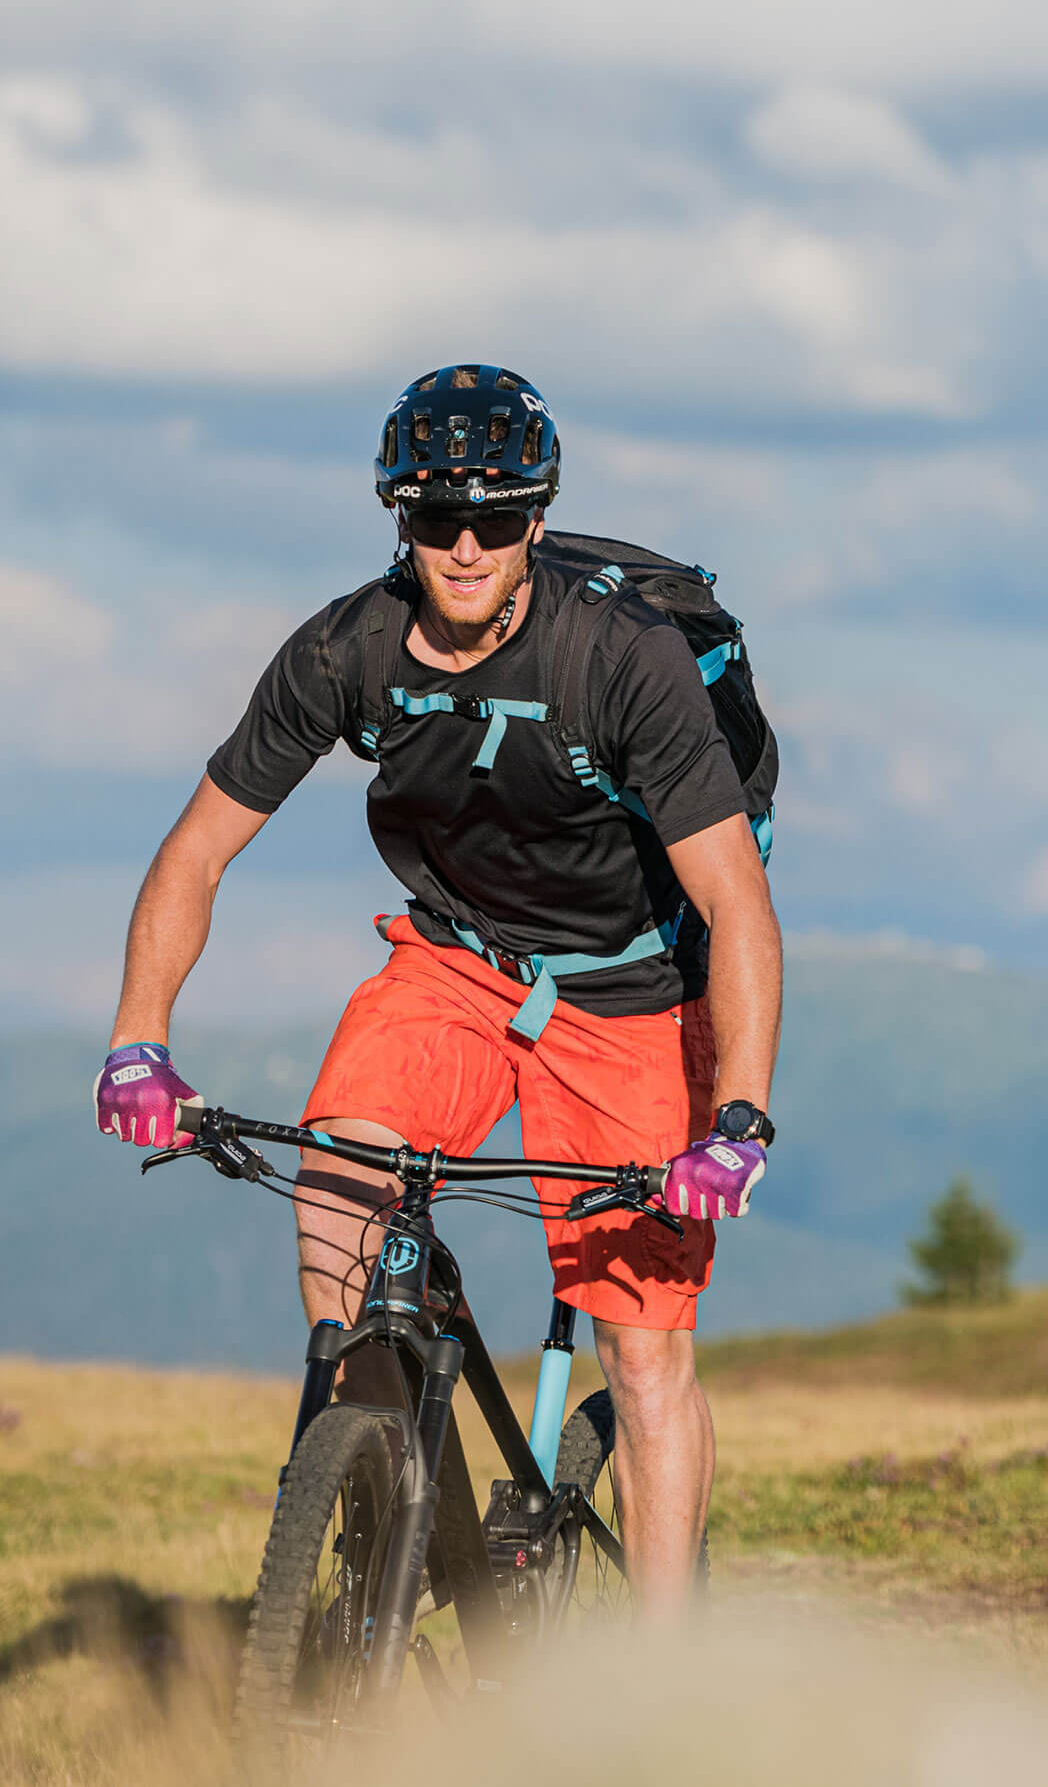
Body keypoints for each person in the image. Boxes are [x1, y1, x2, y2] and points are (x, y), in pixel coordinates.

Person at [92, 363, 781, 1617]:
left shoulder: (618, 659)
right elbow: (196, 847)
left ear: (536, 516)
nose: (465, 545)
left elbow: (737, 904)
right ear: (396, 517)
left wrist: (736, 1121)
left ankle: (670, 1677)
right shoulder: (344, 648)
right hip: (452, 965)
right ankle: (373, 1512)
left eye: (498, 517)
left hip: (626, 997)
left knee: (641, 1349)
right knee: (337, 1190)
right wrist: (139, 1041)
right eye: (433, 519)